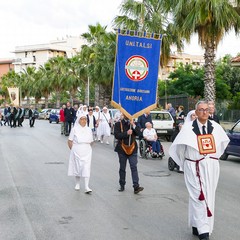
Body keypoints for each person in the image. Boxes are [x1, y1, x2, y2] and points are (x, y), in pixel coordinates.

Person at [169, 100, 229, 240]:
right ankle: (203, 231)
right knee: (198, 196)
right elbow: (179, 149)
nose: (204, 112)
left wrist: (211, 158)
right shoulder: (188, 128)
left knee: (208, 196)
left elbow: (222, 144)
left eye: (206, 110)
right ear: (196, 112)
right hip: (193, 166)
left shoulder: (216, 127)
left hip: (211, 167)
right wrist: (188, 163)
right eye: (201, 110)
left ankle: (198, 225)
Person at [114, 113, 144, 194]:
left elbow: (139, 133)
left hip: (133, 148)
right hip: (122, 149)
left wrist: (133, 125)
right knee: (122, 168)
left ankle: (136, 186)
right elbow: (117, 135)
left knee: (134, 166)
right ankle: (122, 184)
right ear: (124, 114)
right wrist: (126, 133)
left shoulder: (135, 124)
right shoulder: (118, 124)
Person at [67, 114, 94, 193]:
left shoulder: (89, 129)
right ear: (79, 120)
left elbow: (91, 141)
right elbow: (70, 141)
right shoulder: (74, 129)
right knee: (78, 167)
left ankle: (86, 186)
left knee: (86, 167)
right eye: (82, 119)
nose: (84, 121)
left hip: (87, 151)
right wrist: (73, 150)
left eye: (85, 119)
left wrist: (88, 148)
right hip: (76, 150)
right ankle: (77, 183)